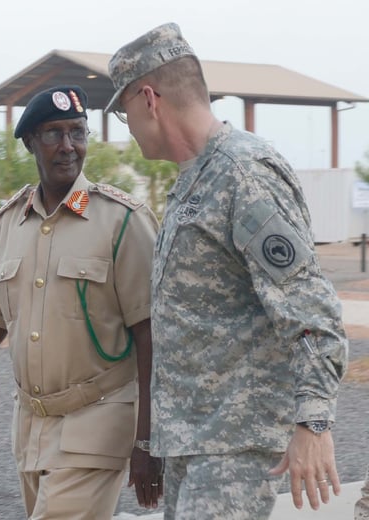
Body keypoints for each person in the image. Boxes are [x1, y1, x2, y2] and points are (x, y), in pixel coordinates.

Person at [105, 23, 349, 519]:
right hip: (192, 438)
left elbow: (312, 314)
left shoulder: (244, 174)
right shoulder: (195, 179)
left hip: (234, 441)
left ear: (149, 98)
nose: (125, 124)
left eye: (123, 108)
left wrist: (314, 424)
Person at [0, 84, 163, 519]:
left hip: (99, 421)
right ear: (31, 142)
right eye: (53, 134)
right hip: (31, 427)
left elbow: (150, 334)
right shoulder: (9, 223)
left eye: (77, 132)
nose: (68, 146)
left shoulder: (121, 221)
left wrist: (147, 440)